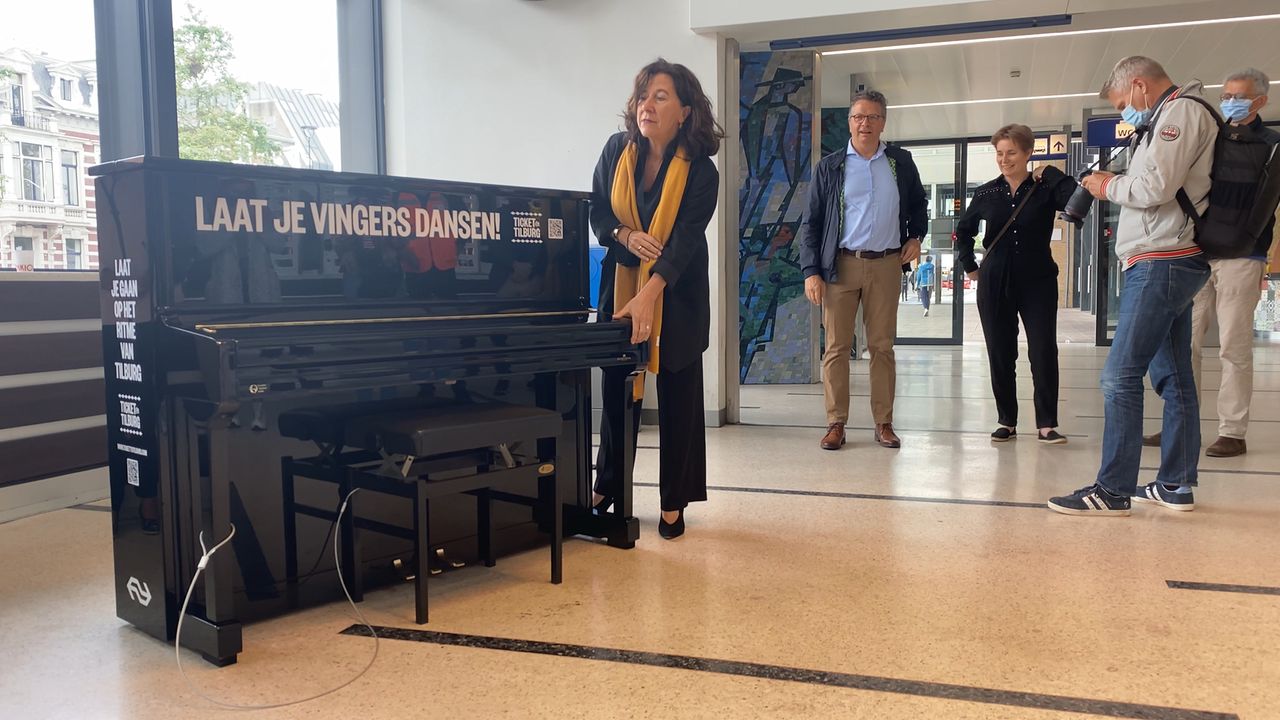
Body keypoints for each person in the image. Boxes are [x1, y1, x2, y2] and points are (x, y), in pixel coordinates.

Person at [1048, 56, 1214, 516]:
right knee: (1175, 376)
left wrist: (1104, 185)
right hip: (1174, 258)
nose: (1126, 114)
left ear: (1140, 85)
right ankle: (1175, 484)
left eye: (1124, 103)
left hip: (1162, 261)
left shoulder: (1180, 113)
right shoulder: (1170, 115)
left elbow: (1153, 187)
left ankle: (1113, 490)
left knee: (1119, 376)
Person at [590, 58, 722, 540]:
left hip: (678, 294)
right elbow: (598, 213)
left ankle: (674, 499)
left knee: (679, 398)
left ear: (684, 110)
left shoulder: (701, 172)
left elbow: (685, 242)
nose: (647, 104)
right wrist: (624, 234)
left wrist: (650, 295)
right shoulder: (615, 150)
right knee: (616, 392)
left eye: (660, 96)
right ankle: (606, 486)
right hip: (620, 287)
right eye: (643, 95)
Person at [1144, 68, 1278, 458]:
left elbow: (1267, 207)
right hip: (1196, 252)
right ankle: (1179, 424)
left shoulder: (1272, 145)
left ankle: (1232, 431)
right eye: (1228, 94)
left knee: (1233, 346)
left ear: (1260, 102)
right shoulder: (1211, 136)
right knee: (1183, 344)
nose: (1230, 101)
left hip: (1243, 255)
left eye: (1240, 95)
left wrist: (1252, 246)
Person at [800, 90, 928, 451]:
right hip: (840, 265)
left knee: (882, 347)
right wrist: (811, 270)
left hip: (887, 264)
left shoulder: (900, 163)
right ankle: (835, 423)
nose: (865, 123)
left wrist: (916, 236)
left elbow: (920, 204)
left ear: (883, 122)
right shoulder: (830, 167)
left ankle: (883, 423)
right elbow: (811, 223)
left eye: (872, 117)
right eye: (858, 117)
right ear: (850, 122)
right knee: (837, 348)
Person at [955, 123, 1077, 445]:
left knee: (1042, 350)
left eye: (1011, 153)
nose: (1004, 159)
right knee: (1000, 350)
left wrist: (1052, 174)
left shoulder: (1045, 189)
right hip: (994, 279)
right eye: (999, 153)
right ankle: (1006, 420)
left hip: (1037, 279)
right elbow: (963, 230)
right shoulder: (986, 193)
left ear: (1027, 153)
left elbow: (1076, 202)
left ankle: (1047, 423)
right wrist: (969, 266)